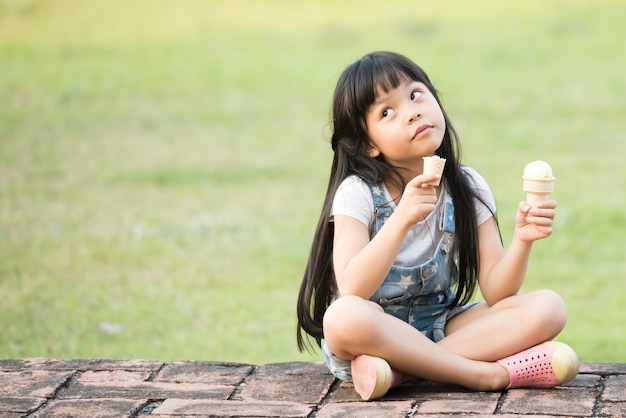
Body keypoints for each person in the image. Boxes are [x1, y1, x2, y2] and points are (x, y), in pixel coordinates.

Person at [296, 51, 579, 401]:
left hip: (440, 328)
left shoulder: (466, 185)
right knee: (343, 317)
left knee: (549, 307)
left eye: (415, 95)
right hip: (372, 335)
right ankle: (482, 374)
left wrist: (523, 240)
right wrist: (401, 219)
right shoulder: (357, 194)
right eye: (387, 112)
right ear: (368, 144)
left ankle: (401, 374)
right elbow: (353, 288)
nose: (412, 111)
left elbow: (497, 291)